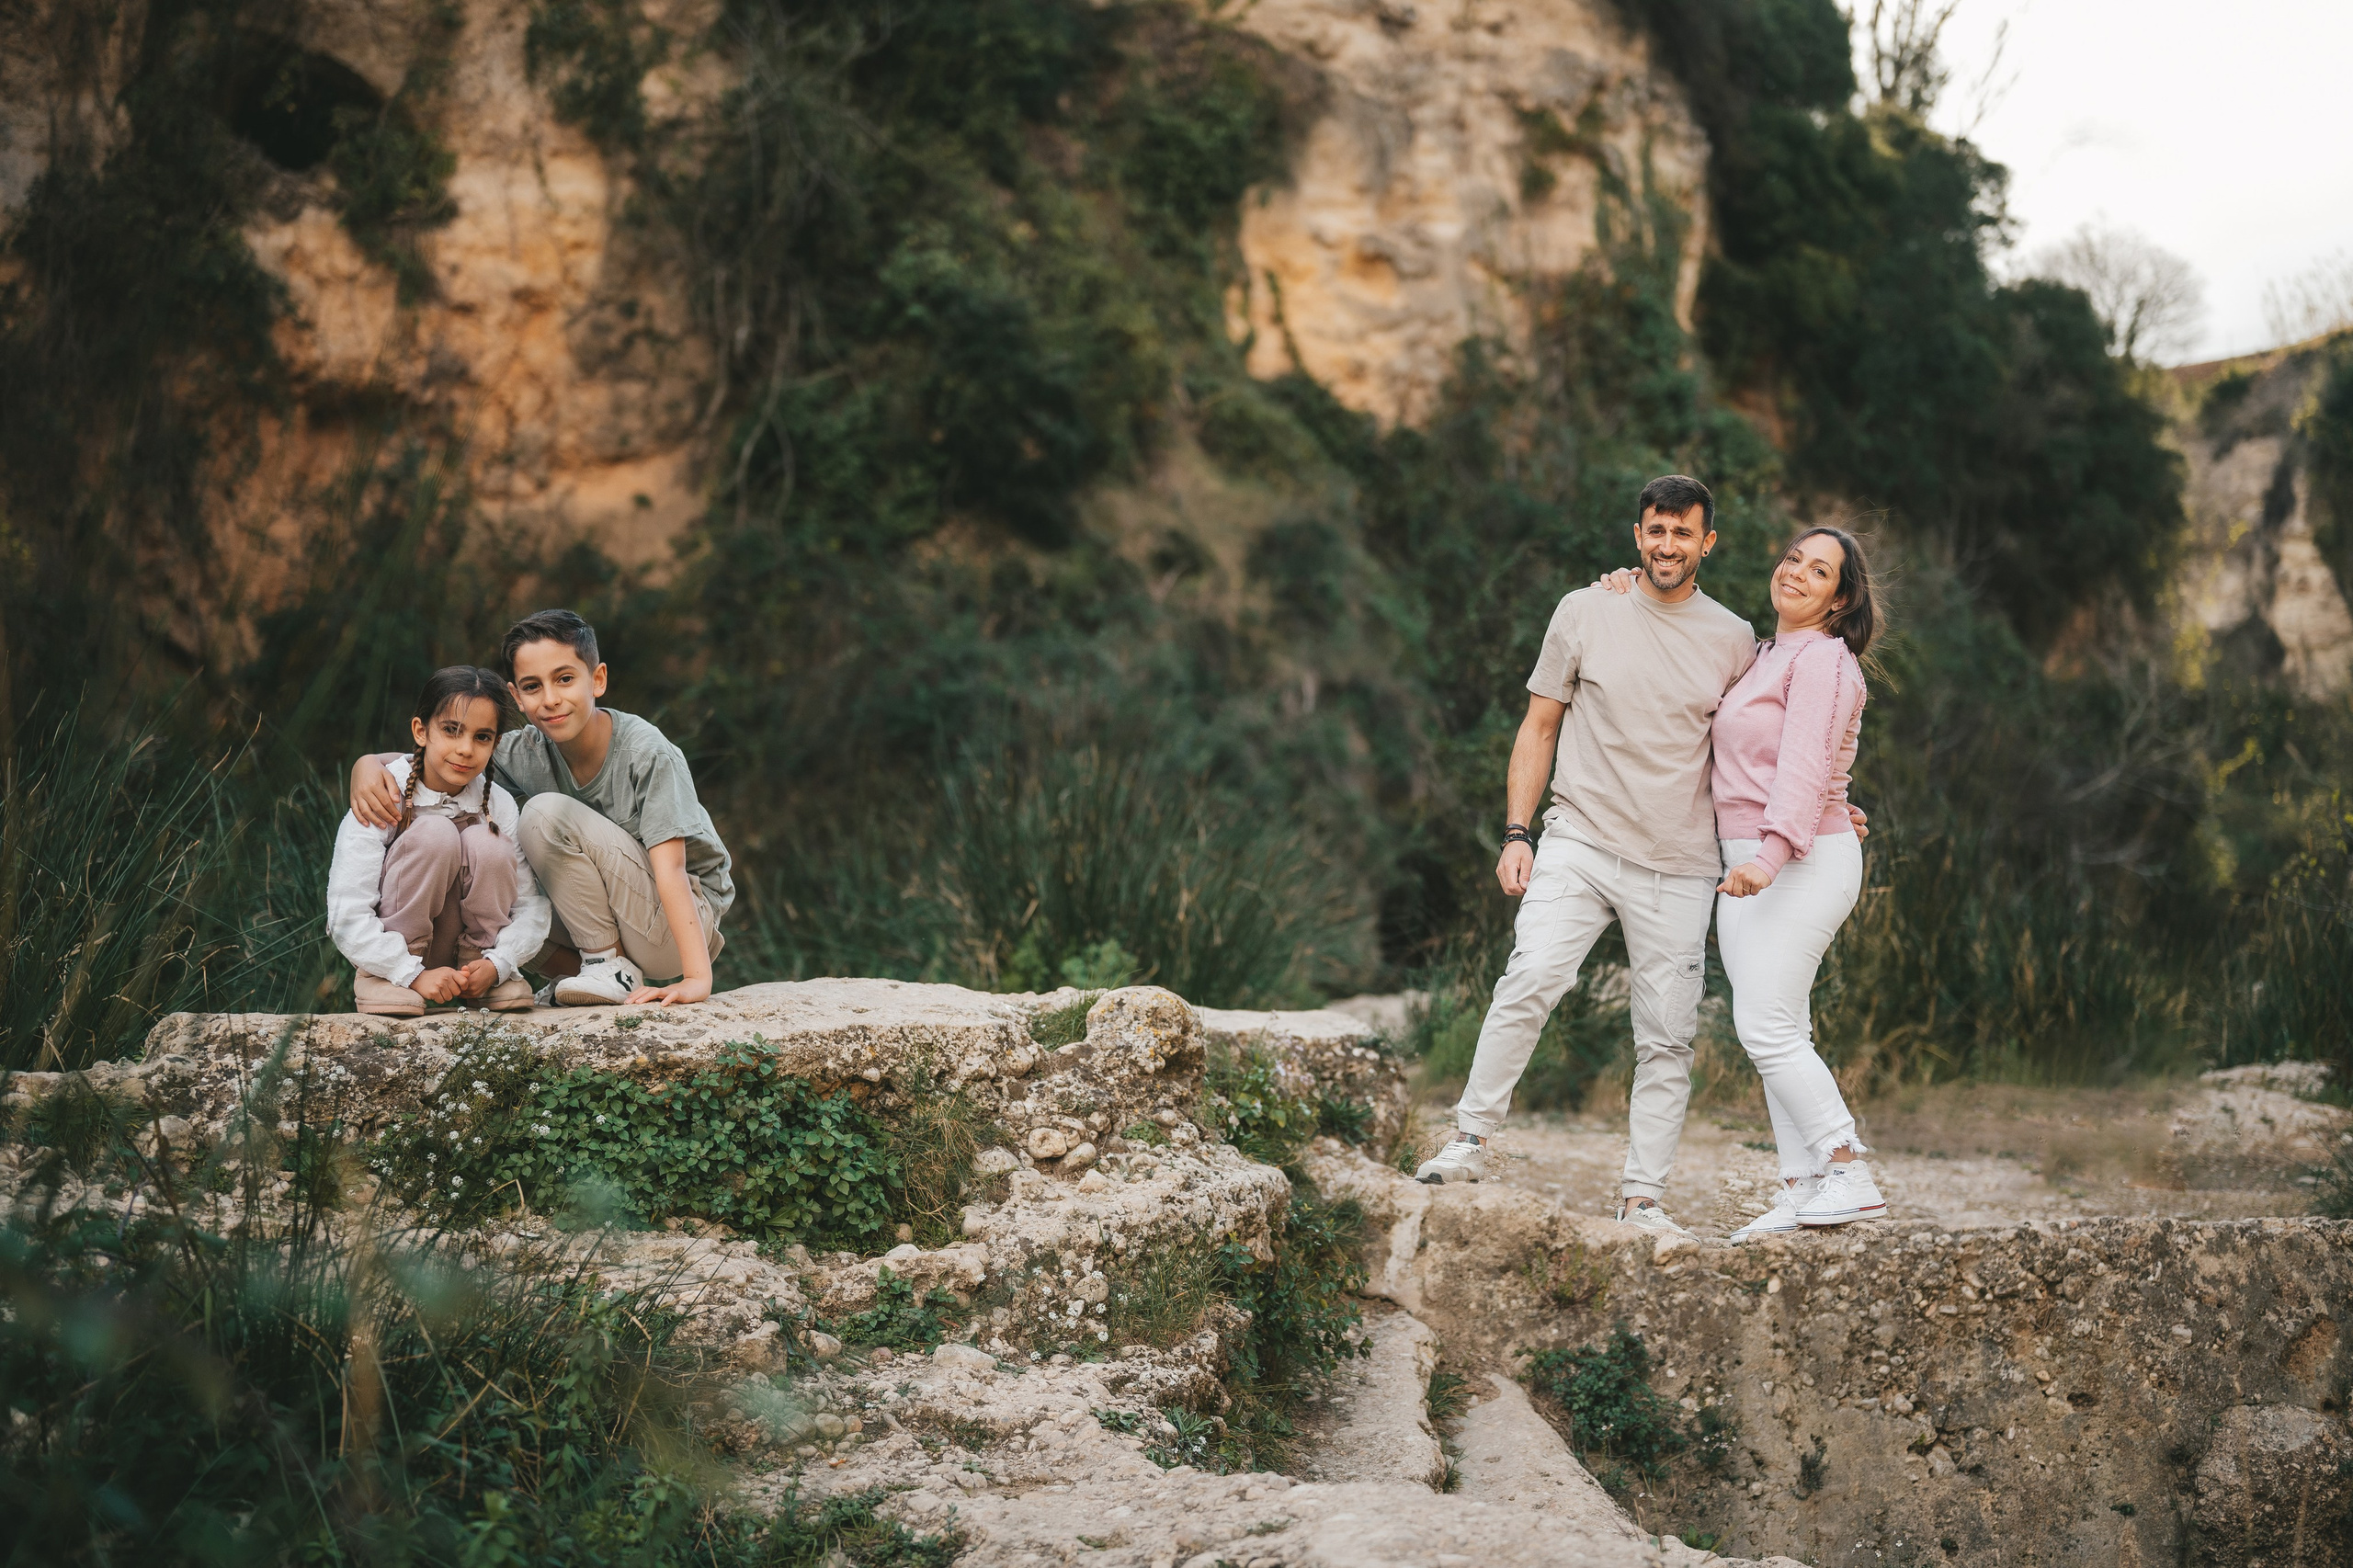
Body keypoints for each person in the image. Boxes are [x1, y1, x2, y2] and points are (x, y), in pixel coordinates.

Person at [1414, 475, 1757, 1236]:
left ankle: (1643, 1200)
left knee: (1667, 1036)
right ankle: (1469, 1138)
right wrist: (1517, 832)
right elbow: (1539, 726)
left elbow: (1760, 746)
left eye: (1682, 533)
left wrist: (1833, 804)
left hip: (1680, 863)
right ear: (1637, 536)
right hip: (1580, 838)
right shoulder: (1585, 609)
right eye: (1655, 531)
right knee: (1531, 974)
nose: (1667, 545)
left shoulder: (1736, 639)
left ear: (1708, 543)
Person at [347, 610, 734, 1008]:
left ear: (597, 679)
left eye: (565, 679)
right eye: (533, 686)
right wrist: (369, 764)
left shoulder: (647, 753)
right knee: (496, 865)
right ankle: (565, 978)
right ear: (517, 696)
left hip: (676, 926)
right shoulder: (524, 750)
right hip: (605, 923)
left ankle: (608, 965)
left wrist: (696, 978)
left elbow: (671, 868)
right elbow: (450, 757)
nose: (550, 699)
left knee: (542, 815)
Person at [1708, 528, 1887, 1235]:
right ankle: (1803, 1186)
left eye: (1820, 572)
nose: (1798, 575)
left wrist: (1769, 855)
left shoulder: (1824, 661)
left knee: (1764, 1024)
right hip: (1750, 857)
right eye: (1793, 559)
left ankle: (1847, 1168)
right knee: (1779, 1025)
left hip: (1796, 861)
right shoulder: (1764, 655)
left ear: (1839, 599)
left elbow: (1806, 769)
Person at [327, 666, 549, 1017]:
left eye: (482, 737)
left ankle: (482, 977)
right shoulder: (383, 792)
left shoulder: (499, 803)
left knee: (490, 842)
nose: (465, 749)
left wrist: (499, 963)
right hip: (398, 956)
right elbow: (346, 910)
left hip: (474, 963)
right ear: (421, 730)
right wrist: (408, 972)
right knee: (435, 833)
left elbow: (528, 903)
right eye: (451, 730)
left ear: (495, 744)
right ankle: (381, 979)